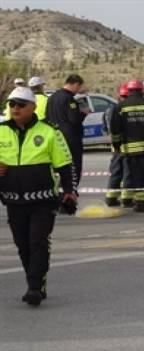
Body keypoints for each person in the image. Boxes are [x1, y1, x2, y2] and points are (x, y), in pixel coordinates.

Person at [0, 87, 77, 306]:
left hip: (43, 200)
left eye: (20, 104)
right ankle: (34, 281)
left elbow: (65, 164)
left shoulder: (50, 131)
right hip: (13, 200)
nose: (15, 108)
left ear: (33, 107)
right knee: (22, 245)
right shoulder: (1, 131)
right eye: (12, 104)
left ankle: (35, 286)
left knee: (37, 242)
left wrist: (70, 192)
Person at [110, 79, 144, 213]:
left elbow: (115, 131)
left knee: (138, 177)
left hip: (133, 151)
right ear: (142, 90)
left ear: (128, 91)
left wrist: (117, 146)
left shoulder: (120, 107)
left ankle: (142, 205)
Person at [46, 74, 87, 188]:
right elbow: (74, 119)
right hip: (70, 139)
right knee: (73, 168)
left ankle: (58, 193)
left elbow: (47, 117)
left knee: (58, 168)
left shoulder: (52, 97)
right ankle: (70, 194)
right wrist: (83, 113)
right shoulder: (69, 99)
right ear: (75, 84)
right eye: (79, 87)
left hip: (56, 138)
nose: (78, 91)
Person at [103, 84, 133, 207]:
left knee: (115, 172)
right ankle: (126, 199)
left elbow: (106, 129)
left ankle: (110, 198)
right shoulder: (127, 110)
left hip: (115, 147)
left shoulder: (109, 110)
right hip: (126, 146)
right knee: (127, 172)